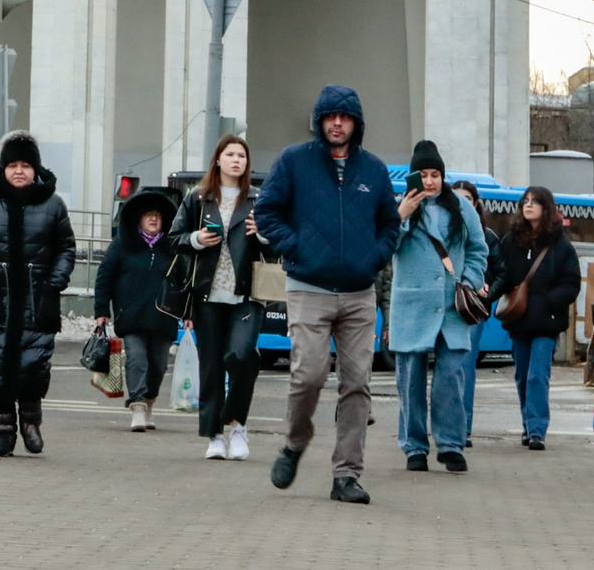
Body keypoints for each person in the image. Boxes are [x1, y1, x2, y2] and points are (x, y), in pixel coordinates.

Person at [254, 85, 400, 504]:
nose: (337, 123)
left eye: (345, 116)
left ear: (357, 124)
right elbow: (266, 211)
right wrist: (296, 246)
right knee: (309, 374)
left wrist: (373, 257)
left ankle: (346, 475)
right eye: (330, 116)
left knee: (357, 384)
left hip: (358, 292)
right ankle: (295, 442)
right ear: (319, 121)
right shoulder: (294, 161)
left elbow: (390, 224)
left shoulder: (373, 170)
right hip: (308, 287)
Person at [0, 130, 78, 457]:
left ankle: (31, 424)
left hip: (37, 300)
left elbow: (66, 247)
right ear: (3, 168)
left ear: (35, 169)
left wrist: (56, 279)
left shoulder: (52, 204)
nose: (19, 171)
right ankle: (3, 431)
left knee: (32, 366)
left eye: (25, 165)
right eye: (13, 165)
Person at [387, 140, 489, 474]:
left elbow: (478, 248)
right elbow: (385, 244)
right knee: (410, 380)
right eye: (423, 175)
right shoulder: (397, 207)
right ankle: (414, 447)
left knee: (450, 377)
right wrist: (402, 215)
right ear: (412, 177)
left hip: (452, 307)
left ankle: (450, 444)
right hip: (412, 304)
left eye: (435, 175)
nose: (430, 182)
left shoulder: (461, 207)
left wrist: (470, 281)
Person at [167, 134, 265, 460]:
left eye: (242, 155)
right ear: (218, 160)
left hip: (246, 294)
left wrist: (261, 234)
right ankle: (214, 435)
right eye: (231, 154)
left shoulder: (257, 199)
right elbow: (174, 238)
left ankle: (237, 425)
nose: (237, 160)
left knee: (241, 355)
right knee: (210, 367)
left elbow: (280, 241)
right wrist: (195, 238)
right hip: (207, 295)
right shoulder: (199, 198)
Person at [486, 184, 580, 450]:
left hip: (547, 322)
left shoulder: (561, 246)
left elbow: (571, 282)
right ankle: (528, 424)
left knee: (538, 375)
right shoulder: (510, 241)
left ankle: (537, 429)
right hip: (519, 320)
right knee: (523, 375)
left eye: (534, 201)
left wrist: (550, 302)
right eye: (525, 201)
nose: (528, 205)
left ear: (546, 208)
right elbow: (500, 273)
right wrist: (489, 290)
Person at [93, 185, 177, 432]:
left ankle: (150, 401)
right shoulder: (123, 243)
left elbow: (185, 282)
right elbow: (104, 276)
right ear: (139, 219)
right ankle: (137, 406)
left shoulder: (172, 247)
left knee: (159, 365)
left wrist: (189, 314)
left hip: (164, 318)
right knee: (137, 360)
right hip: (131, 316)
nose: (154, 219)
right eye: (149, 214)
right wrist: (101, 310)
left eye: (158, 215)